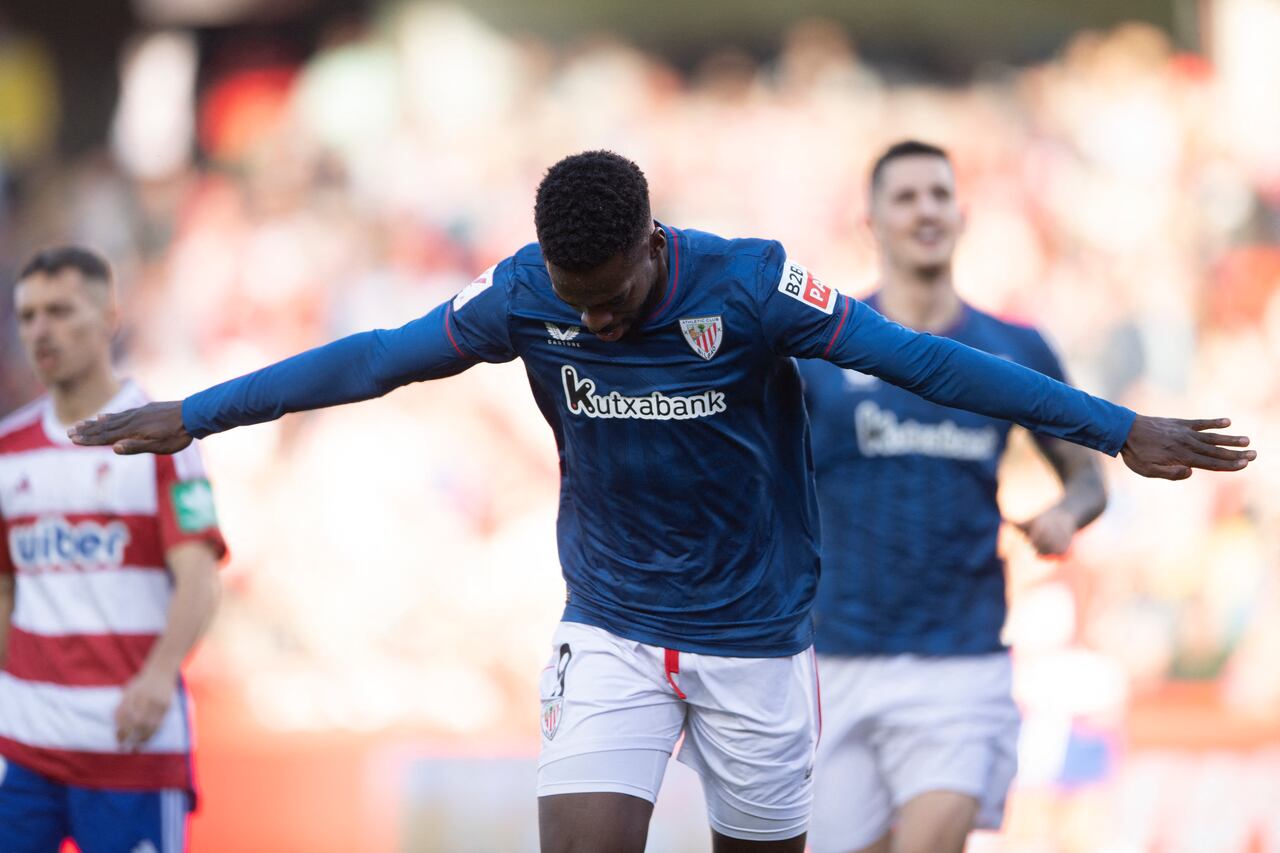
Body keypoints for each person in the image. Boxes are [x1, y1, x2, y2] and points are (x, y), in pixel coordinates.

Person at [68, 151, 1253, 853]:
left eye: (609, 296)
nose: (588, 320)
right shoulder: (526, 293)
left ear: (650, 242)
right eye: (572, 299)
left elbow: (926, 363)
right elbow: (376, 358)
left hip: (757, 640)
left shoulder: (751, 286)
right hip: (614, 625)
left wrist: (1114, 427)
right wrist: (197, 411)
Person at [800, 140, 1111, 853]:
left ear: (963, 217)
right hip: (834, 660)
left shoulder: (1015, 347)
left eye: (940, 194)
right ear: (871, 223)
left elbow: (1087, 474)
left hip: (961, 661)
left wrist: (1066, 514)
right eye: (905, 197)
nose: (926, 211)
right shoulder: (819, 350)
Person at [0, 247, 226, 853]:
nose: (40, 330)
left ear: (108, 318)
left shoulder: (165, 437)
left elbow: (200, 578)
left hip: (130, 749)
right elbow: (5, 588)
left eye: (59, 311)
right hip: (22, 750)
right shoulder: (7, 449)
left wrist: (158, 676)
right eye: (27, 316)